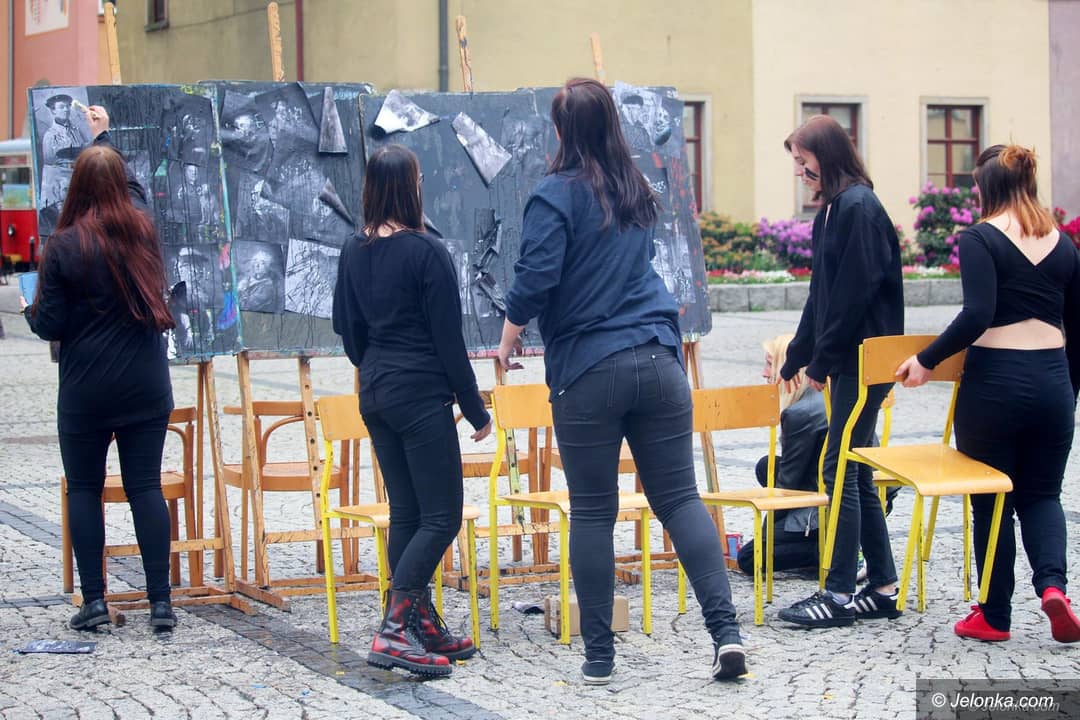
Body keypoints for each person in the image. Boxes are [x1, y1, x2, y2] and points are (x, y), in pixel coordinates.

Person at [497, 78, 746, 685]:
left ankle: (600, 657)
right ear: (611, 124)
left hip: (589, 369)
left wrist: (508, 338)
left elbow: (535, 279)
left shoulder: (554, 195)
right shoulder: (635, 188)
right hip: (658, 358)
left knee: (592, 511)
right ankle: (727, 635)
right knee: (680, 500)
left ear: (561, 131)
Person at [897, 145, 1080, 644]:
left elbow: (978, 314)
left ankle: (995, 616)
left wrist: (925, 360)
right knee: (1042, 495)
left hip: (996, 384)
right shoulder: (1064, 245)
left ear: (986, 188)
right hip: (1053, 382)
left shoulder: (979, 238)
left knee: (991, 500)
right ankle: (1054, 588)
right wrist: (1069, 392)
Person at [331, 144, 492, 677]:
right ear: (413, 187)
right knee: (442, 515)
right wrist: (475, 409)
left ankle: (418, 621)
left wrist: (377, 363)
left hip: (376, 392)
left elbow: (349, 333)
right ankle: (395, 629)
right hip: (420, 394)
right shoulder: (428, 252)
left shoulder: (353, 250)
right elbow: (449, 341)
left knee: (408, 512)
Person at [22, 105, 177, 631]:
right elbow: (133, 195)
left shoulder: (64, 246)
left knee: (85, 489)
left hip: (86, 387)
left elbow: (50, 323)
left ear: (77, 188)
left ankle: (94, 601)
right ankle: (161, 603)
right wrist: (104, 138)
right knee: (145, 487)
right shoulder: (143, 234)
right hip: (144, 384)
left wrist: (28, 312)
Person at [776, 114, 903, 628]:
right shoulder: (832, 210)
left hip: (864, 359)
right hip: (850, 357)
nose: (799, 172)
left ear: (825, 158)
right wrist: (798, 353)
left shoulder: (859, 207)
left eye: (803, 162)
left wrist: (823, 359)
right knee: (855, 466)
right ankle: (883, 587)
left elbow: (854, 294)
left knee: (839, 466)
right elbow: (821, 294)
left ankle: (839, 592)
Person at [737, 334, 828, 576]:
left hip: (828, 504)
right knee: (766, 466)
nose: (764, 373)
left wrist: (764, 536)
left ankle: (830, 551)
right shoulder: (833, 393)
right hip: (856, 493)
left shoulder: (800, 414)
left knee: (749, 558)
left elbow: (789, 484)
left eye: (770, 364)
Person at [40, 94, 90, 221]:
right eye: (62, 107)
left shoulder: (76, 131)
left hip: (80, 179)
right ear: (53, 111)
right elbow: (50, 164)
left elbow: (84, 150)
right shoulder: (50, 136)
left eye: (68, 106)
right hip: (62, 185)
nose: (66, 110)